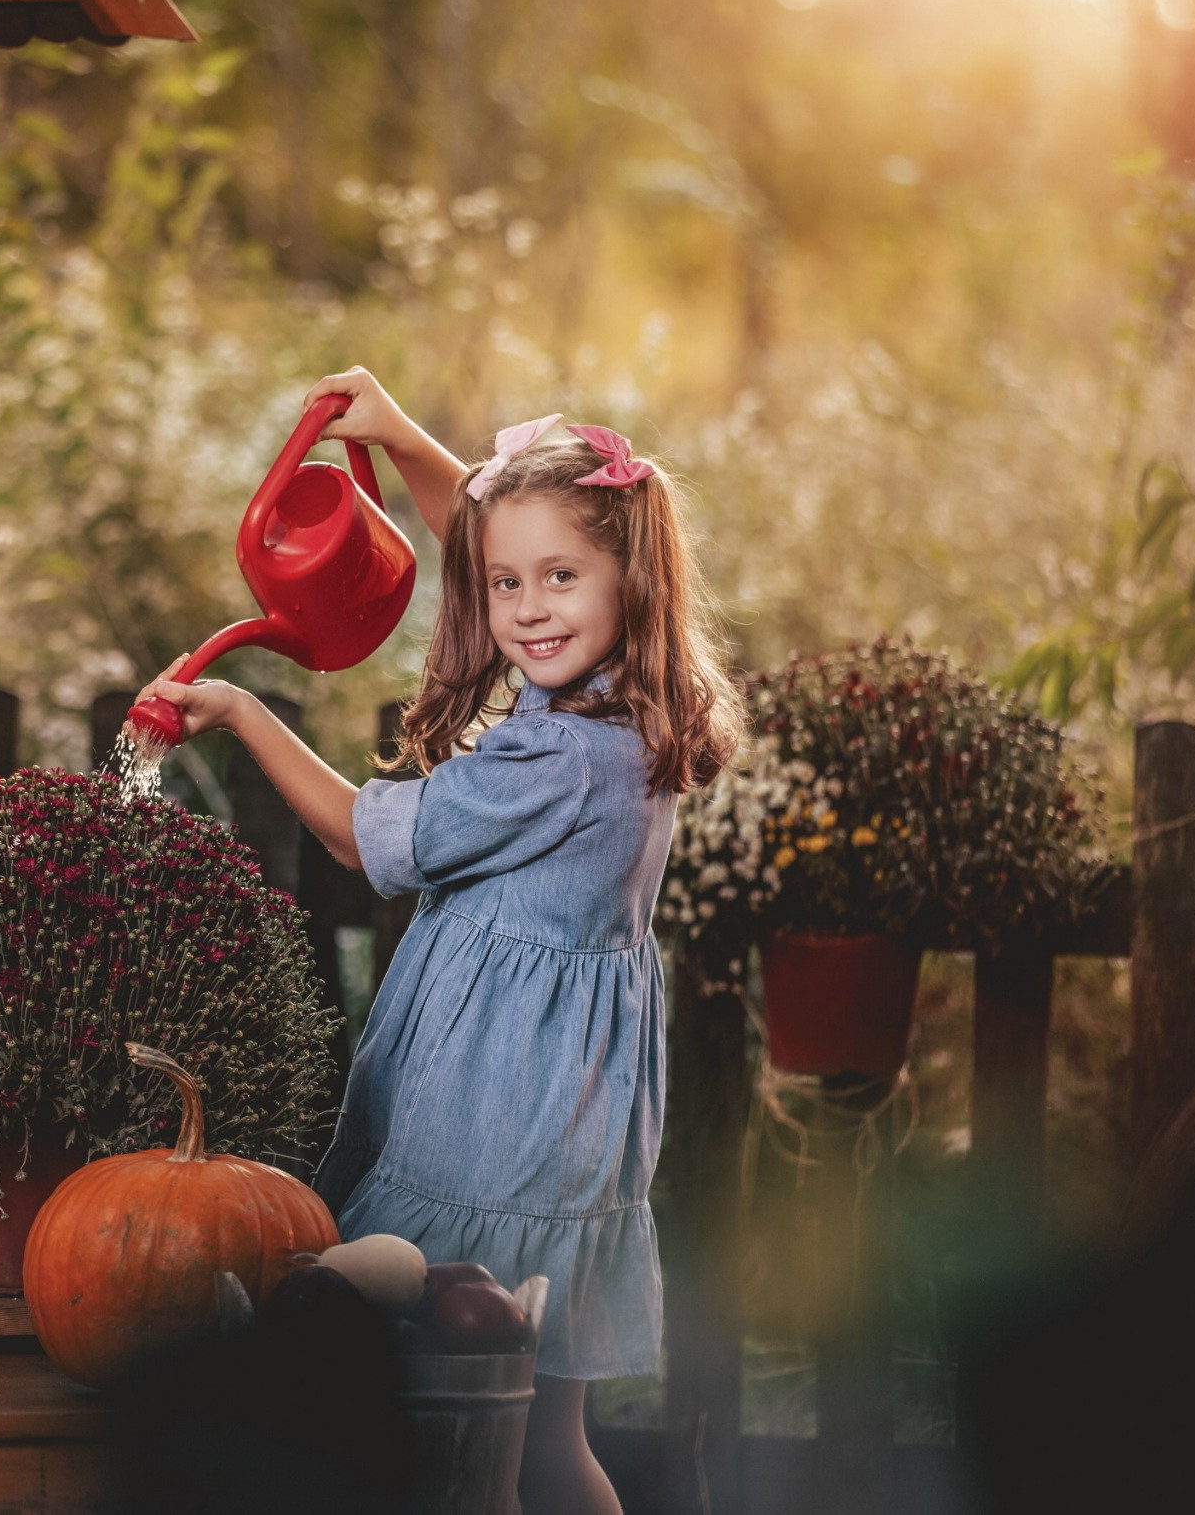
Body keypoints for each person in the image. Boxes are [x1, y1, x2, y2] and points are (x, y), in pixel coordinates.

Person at [136, 367, 742, 1514]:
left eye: (559, 578)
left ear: (629, 576)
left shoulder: (560, 754)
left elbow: (364, 839)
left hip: (498, 1115)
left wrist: (245, 713)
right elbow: (491, 529)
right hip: (569, 1108)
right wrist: (402, 435)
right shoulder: (625, 700)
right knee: (541, 1437)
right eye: (507, 583)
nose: (525, 607)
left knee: (462, 1445)